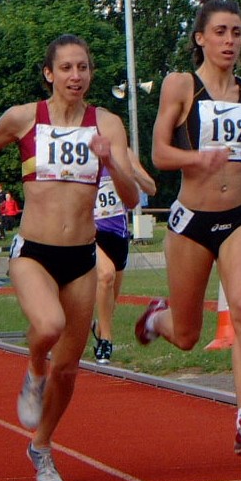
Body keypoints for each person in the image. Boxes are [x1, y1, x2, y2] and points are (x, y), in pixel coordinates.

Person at [0, 33, 140, 481]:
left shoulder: (107, 124)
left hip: (82, 256)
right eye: (66, 68)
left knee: (70, 368)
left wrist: (112, 163)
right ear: (49, 73)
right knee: (47, 327)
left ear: (91, 72)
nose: (75, 76)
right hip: (34, 252)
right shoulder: (25, 119)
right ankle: (32, 369)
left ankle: (42, 446)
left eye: (82, 67)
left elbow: (132, 197)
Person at [133, 0, 241, 458]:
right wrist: (197, 160)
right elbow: (158, 154)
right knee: (190, 336)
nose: (230, 41)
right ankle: (159, 318)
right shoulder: (180, 85)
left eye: (236, 32)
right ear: (200, 38)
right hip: (191, 219)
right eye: (220, 32)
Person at [91, 153, 155, 364]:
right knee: (105, 276)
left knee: (111, 301)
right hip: (92, 232)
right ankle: (106, 341)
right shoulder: (82, 149)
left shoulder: (124, 152)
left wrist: (131, 171)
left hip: (118, 235)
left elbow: (151, 188)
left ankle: (100, 329)